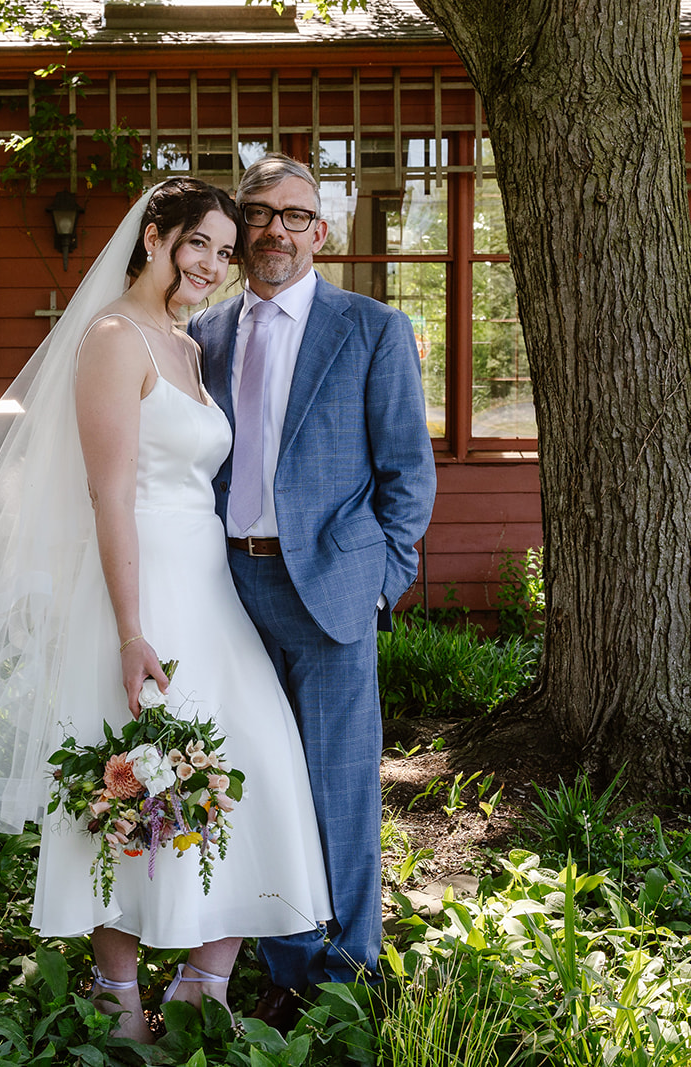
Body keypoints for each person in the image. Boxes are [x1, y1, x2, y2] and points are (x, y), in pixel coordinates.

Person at [0, 178, 332, 1043]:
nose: (214, 263)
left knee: (258, 765)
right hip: (134, 592)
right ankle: (119, 1004)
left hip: (207, 585)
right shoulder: (111, 340)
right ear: (153, 239)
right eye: (198, 244)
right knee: (125, 778)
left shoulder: (186, 343)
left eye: (223, 248)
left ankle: (201, 988)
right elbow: (108, 497)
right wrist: (131, 631)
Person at [189, 154, 438, 1027]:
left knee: (336, 784)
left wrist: (382, 583)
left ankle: (353, 972)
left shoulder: (369, 328)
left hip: (332, 589)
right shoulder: (205, 335)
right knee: (254, 782)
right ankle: (289, 969)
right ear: (241, 226)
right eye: (260, 214)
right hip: (229, 586)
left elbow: (408, 471)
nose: (276, 231)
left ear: (320, 232)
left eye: (295, 216)